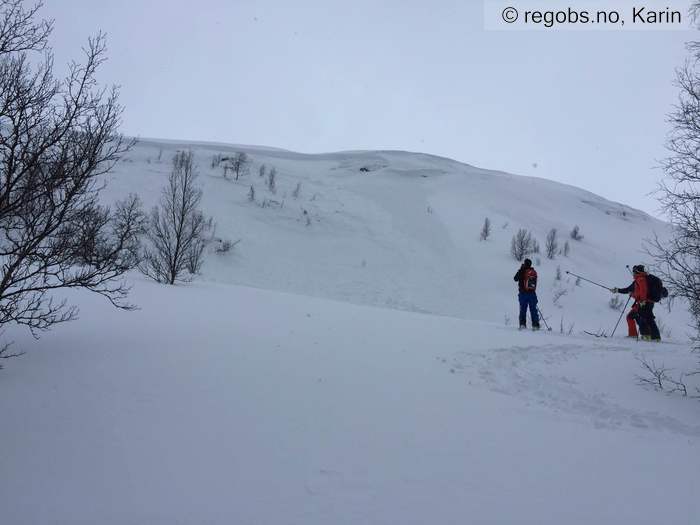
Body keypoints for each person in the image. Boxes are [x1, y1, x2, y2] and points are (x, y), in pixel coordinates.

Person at [611, 265, 661, 341]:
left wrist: (642, 300)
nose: (633, 273)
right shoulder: (638, 280)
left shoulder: (641, 279)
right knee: (632, 316)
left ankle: (651, 336)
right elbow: (628, 289)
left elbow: (643, 290)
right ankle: (639, 335)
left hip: (644, 302)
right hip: (644, 302)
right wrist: (617, 290)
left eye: (634, 271)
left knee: (646, 318)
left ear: (637, 272)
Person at [514, 258, 540, 330]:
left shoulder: (522, 271)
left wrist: (520, 270)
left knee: (523, 309)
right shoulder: (533, 271)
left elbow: (515, 279)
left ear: (524, 263)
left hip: (523, 293)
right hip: (532, 294)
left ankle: (522, 324)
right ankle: (536, 325)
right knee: (533, 309)